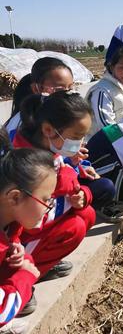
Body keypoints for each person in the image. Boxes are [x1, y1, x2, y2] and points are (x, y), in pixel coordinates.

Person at [13, 91, 99, 280]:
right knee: (74, 227)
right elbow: (30, 222)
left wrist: (82, 195)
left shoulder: (51, 149)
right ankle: (19, 276)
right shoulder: (25, 163)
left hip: (41, 219)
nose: (80, 143)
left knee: (86, 213)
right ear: (49, 130)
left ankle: (42, 263)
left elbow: (72, 184)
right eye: (77, 136)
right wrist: (66, 185)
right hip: (18, 236)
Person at [0, 128, 56, 334]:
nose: (49, 207)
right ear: (14, 198)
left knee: (24, 258)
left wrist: (14, 245)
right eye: (46, 199)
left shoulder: (8, 221)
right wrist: (25, 277)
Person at [6, 57, 74, 141]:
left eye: (70, 88)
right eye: (59, 90)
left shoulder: (53, 114)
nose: (67, 94)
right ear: (36, 88)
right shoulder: (29, 124)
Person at [86, 47, 123, 138]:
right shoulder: (102, 90)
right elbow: (106, 124)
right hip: (105, 141)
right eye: (122, 68)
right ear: (112, 67)